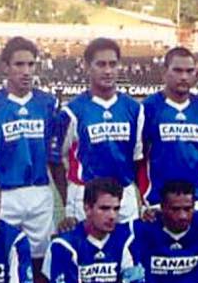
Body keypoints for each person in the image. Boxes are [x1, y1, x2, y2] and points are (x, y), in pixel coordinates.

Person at [0, 37, 59, 283]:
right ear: (5, 67)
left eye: (31, 64)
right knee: (4, 252)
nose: (26, 71)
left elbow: (54, 152)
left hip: (39, 189)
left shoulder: (47, 103)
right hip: (6, 191)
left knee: (39, 255)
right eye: (19, 64)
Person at [52, 38, 144, 225]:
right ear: (87, 66)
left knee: (126, 252)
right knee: (86, 252)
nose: (108, 71)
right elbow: (56, 161)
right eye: (101, 64)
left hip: (124, 196)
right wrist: (68, 200)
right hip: (86, 196)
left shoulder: (134, 109)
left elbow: (139, 160)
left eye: (113, 64)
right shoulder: (72, 111)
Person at [140, 47, 198, 208]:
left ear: (196, 74)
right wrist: (145, 195)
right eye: (178, 70)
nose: (184, 77)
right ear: (164, 72)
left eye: (189, 71)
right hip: (158, 199)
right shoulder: (148, 109)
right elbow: (138, 157)